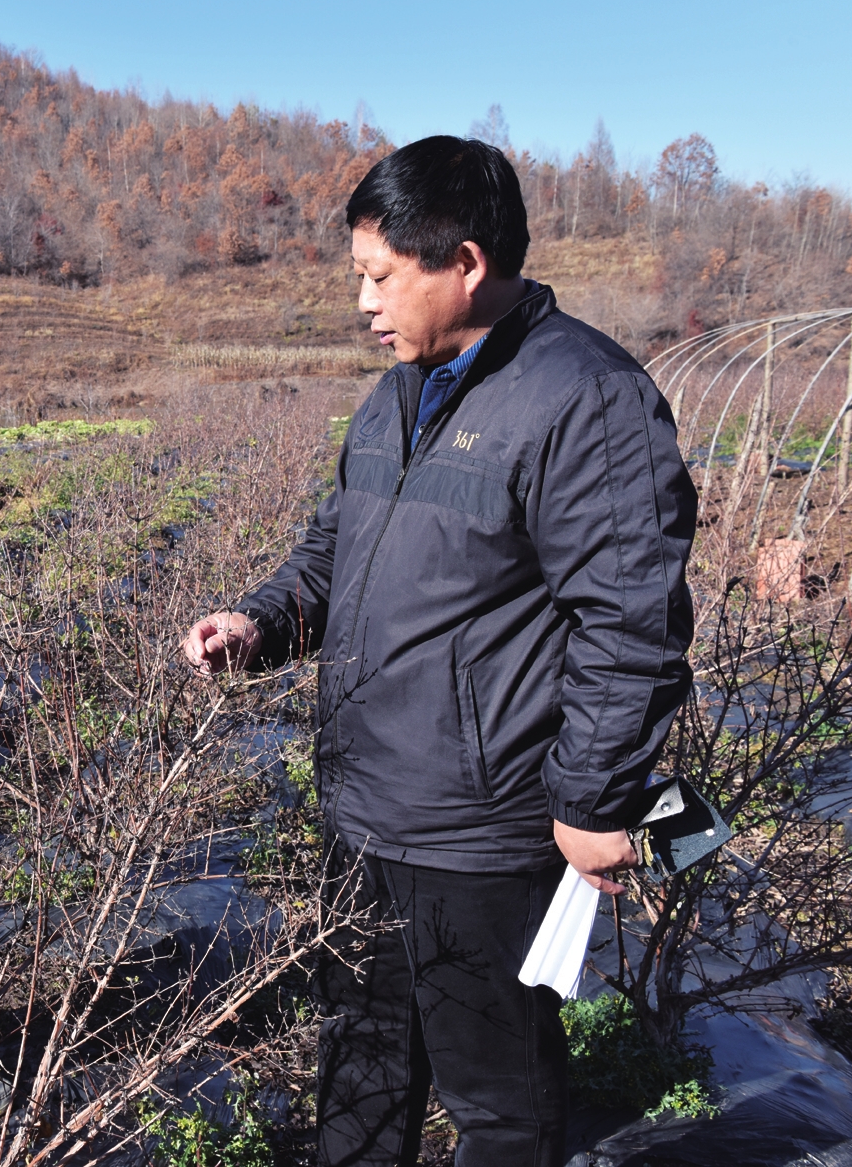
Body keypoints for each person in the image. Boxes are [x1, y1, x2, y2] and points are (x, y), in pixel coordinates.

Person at [183, 136, 695, 1165]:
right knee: (362, 1061)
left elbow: (627, 618)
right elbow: (334, 554)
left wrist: (591, 803)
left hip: (480, 832)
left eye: (378, 277)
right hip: (366, 810)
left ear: (462, 263)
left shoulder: (580, 396)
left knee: (497, 1098)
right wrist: (261, 621)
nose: (362, 303)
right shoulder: (393, 396)